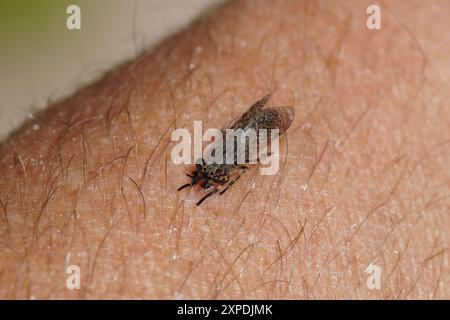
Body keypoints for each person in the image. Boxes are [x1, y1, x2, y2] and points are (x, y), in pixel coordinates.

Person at [0, 0, 448, 299]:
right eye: (201, 179)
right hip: (244, 137)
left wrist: (233, 161)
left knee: (246, 144)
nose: (202, 180)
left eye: (203, 180)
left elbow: (236, 165)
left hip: (249, 136)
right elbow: (229, 160)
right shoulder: (212, 168)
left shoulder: (222, 168)